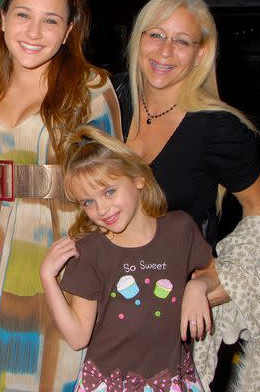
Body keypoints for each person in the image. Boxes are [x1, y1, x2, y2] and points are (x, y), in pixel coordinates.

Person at [0, 0, 122, 391]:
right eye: (23, 15)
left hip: (61, 255)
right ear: (2, 19)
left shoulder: (90, 89)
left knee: (53, 371)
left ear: (69, 30)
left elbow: (113, 191)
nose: (34, 32)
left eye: (51, 20)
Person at [40, 126, 218, 391]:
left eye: (109, 192)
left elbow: (213, 273)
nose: (101, 209)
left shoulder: (180, 229)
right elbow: (77, 338)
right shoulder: (90, 250)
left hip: (171, 381)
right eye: (87, 202)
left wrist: (198, 286)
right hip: (108, 383)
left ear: (137, 178)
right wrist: (48, 278)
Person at [117, 0, 260, 249]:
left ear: (200, 53)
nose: (165, 51)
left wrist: (225, 273)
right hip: (106, 280)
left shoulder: (218, 128)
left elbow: (259, 205)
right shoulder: (110, 98)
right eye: (156, 35)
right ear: (138, 39)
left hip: (180, 284)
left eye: (182, 41)